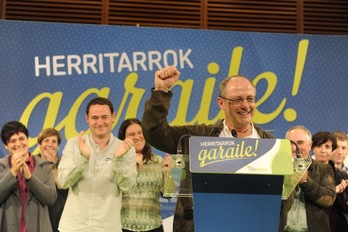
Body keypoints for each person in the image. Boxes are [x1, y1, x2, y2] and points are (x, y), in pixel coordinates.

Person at [141, 66, 277, 232]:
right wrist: (161, 91)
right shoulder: (197, 138)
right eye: (237, 100)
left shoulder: (270, 145)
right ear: (221, 103)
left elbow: (283, 196)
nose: (245, 105)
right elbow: (154, 132)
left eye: (250, 99)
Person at [57, 97, 138, 232]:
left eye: (104, 117)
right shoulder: (74, 144)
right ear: (87, 118)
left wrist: (118, 160)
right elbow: (63, 182)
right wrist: (83, 158)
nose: (100, 122)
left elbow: (128, 187)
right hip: (73, 227)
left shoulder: (125, 148)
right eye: (95, 117)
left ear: (113, 116)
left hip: (107, 227)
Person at [0, 121, 57, 231]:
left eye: (21, 139)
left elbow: (50, 198)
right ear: (6, 146)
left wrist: (29, 177)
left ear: (28, 140)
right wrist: (13, 172)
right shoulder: (1, 166)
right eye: (12, 141)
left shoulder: (44, 166)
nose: (18, 144)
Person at [283, 126, 336, 232]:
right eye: (291, 143)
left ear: (310, 145)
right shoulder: (278, 168)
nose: (294, 147)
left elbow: (329, 198)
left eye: (300, 142)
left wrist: (306, 181)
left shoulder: (323, 168)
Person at [118, 118, 166, 232]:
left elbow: (167, 194)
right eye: (131, 134)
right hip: (124, 227)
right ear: (123, 139)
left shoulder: (158, 161)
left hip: (153, 227)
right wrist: (131, 165)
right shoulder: (117, 161)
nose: (137, 137)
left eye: (140, 133)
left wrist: (170, 174)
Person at [37, 127, 68, 232]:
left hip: (58, 215)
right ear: (39, 145)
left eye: (54, 141)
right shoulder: (31, 163)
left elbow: (63, 187)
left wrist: (54, 166)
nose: (50, 144)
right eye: (46, 140)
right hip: (37, 212)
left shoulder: (64, 164)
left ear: (58, 147)